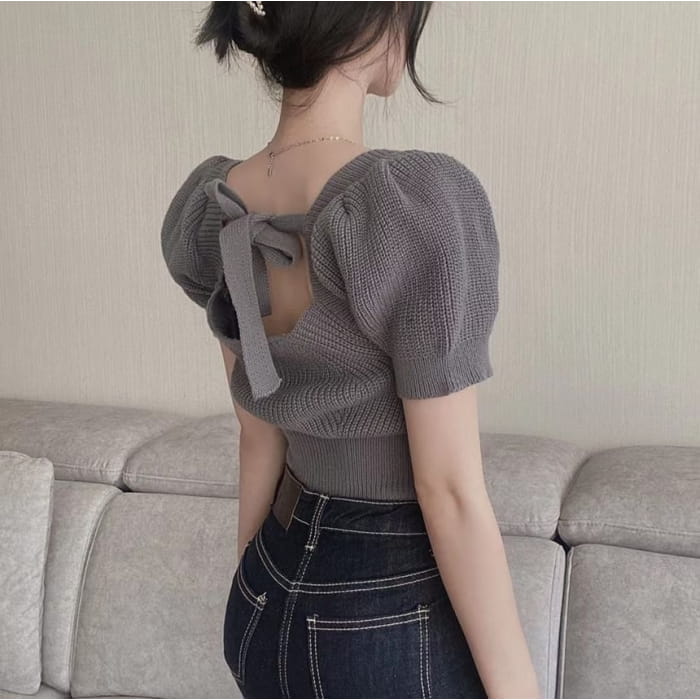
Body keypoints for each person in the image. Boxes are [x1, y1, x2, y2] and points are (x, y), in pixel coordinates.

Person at [160, 2, 540, 698]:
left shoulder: (215, 207)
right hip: (382, 614)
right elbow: (449, 491)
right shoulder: (412, 205)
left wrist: (254, 588)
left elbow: (257, 435)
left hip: (263, 592)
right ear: (377, 19)